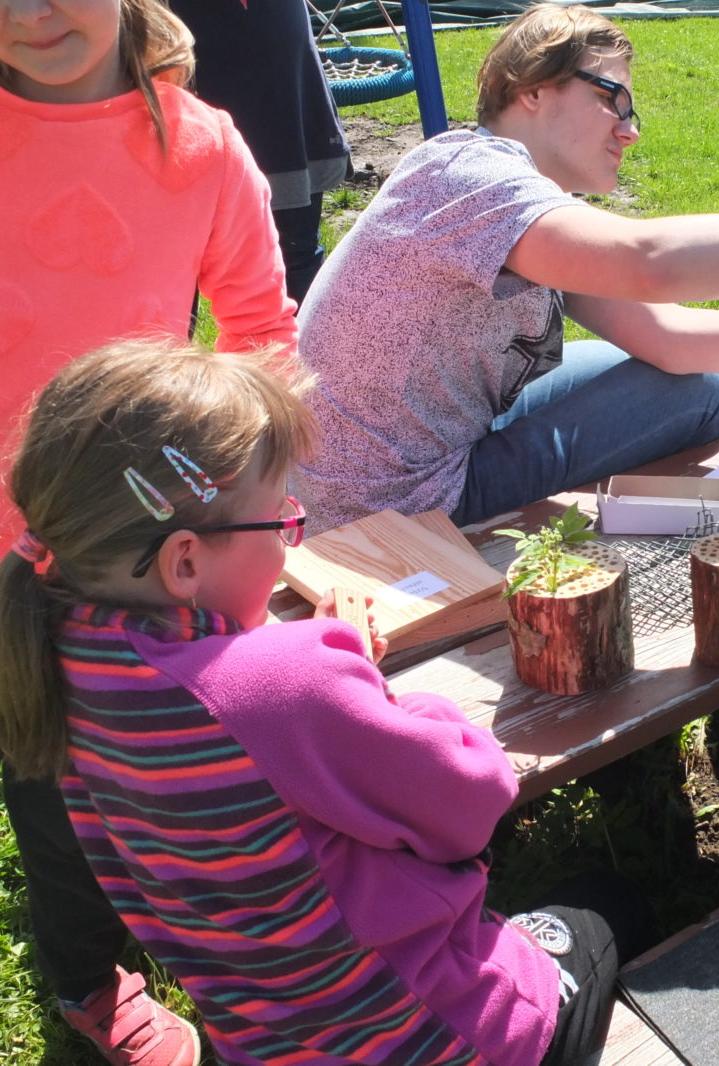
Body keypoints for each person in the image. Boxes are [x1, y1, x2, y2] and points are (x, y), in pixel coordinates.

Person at [0, 339, 647, 1066]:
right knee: (601, 903)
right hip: (439, 1037)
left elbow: (234, 713)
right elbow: (473, 805)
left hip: (266, 1042)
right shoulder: (282, 686)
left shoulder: (55, 658)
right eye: (280, 519)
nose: (289, 539)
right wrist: (348, 682)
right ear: (184, 560)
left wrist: (303, 660)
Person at [295, 2, 719, 533]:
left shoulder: (512, 199)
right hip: (385, 505)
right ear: (531, 90)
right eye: (610, 98)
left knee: (694, 383)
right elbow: (650, 264)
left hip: (393, 459)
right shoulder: (472, 179)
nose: (631, 128)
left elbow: (674, 340)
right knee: (686, 397)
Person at [0, 2, 295, 1062]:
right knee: (48, 792)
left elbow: (261, 330)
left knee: (179, 783)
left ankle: (258, 973)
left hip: (151, 553)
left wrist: (229, 501)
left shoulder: (203, 144)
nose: (33, 15)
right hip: (6, 568)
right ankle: (88, 991)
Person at [168, 0, 350, 304]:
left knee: (293, 257)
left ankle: (301, 348)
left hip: (283, 106)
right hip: (193, 116)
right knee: (176, 271)